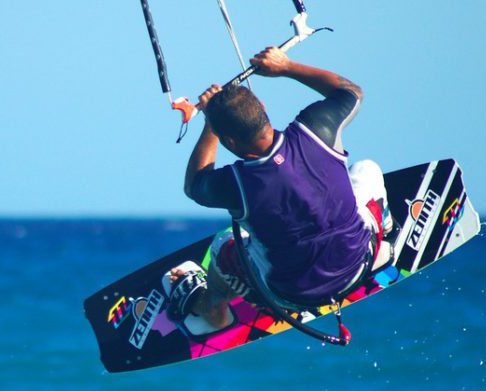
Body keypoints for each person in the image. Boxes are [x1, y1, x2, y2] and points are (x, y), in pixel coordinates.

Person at [164, 46, 393, 334]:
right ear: (263, 108)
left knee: (223, 245)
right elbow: (351, 91)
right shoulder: (316, 128)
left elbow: (195, 184)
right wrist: (286, 67)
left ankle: (213, 310)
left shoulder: (236, 184)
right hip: (359, 262)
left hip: (290, 297)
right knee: (367, 169)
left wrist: (210, 122)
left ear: (230, 142)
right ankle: (383, 225)